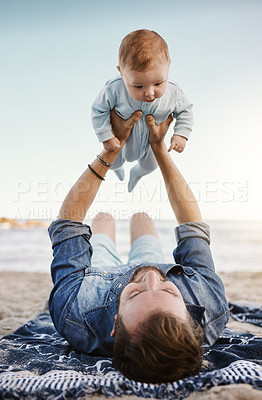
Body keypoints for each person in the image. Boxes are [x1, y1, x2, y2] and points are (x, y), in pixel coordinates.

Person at [48, 110, 229, 383]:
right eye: (170, 292)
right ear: (191, 319)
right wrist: (159, 149)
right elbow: (192, 224)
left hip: (100, 280)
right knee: (141, 217)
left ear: (116, 325)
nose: (150, 279)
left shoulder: (74, 314)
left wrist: (111, 150)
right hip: (159, 263)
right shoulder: (210, 304)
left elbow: (68, 224)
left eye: (136, 295)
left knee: (104, 219)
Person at [91, 29, 193, 192]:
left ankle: (137, 174)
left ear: (168, 67)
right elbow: (98, 109)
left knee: (151, 166)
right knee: (113, 162)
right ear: (122, 73)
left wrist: (181, 134)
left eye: (158, 83)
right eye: (138, 86)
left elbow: (185, 110)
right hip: (121, 142)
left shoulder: (173, 91)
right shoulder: (114, 89)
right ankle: (118, 169)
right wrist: (106, 136)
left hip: (150, 145)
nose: (150, 92)